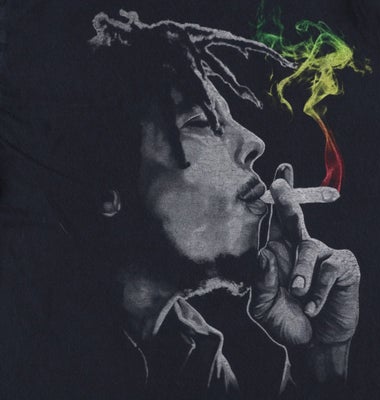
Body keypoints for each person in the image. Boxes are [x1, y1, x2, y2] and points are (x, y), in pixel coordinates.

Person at [0, 9, 360, 400]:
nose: (253, 142)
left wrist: (321, 361)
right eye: (200, 123)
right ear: (105, 189)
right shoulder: (27, 349)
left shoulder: (190, 349)